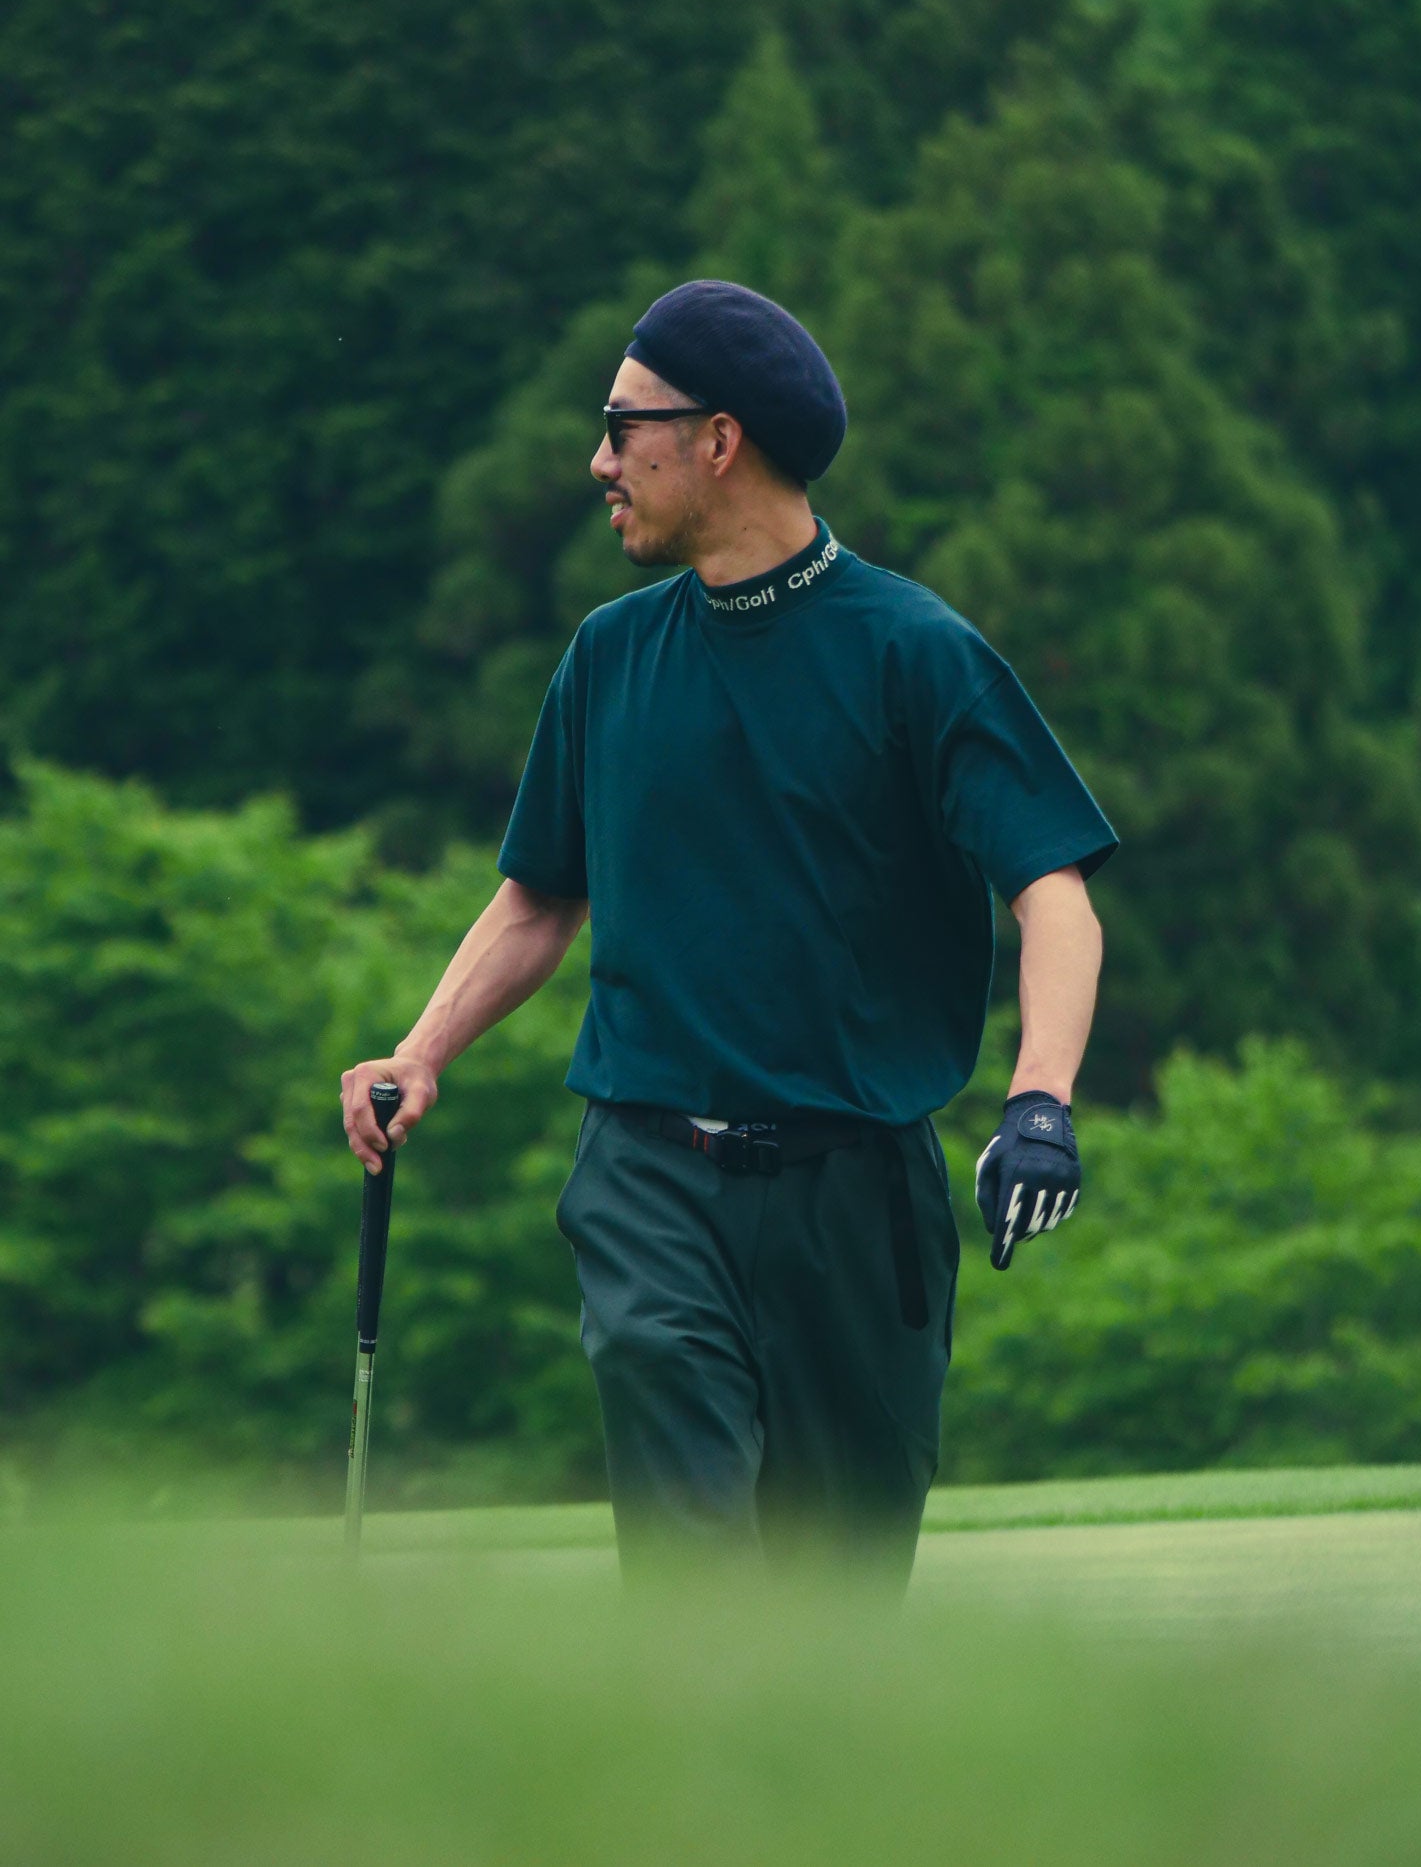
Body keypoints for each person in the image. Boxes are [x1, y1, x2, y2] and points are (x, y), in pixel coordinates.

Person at [341, 279, 1116, 1588]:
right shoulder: (609, 657)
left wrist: (1040, 1101)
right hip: (649, 1179)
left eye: (620, 425)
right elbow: (539, 896)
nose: (598, 461)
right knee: (690, 1571)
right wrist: (422, 1050)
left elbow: (1055, 896)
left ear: (717, 439)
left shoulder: (916, 653)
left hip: (858, 1202)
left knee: (838, 1604)